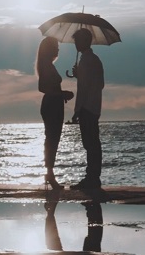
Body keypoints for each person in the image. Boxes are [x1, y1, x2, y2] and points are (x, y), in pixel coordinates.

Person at [69, 28, 104, 190]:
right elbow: (99, 83)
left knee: (90, 143)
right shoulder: (94, 59)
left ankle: (92, 178)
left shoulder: (87, 61)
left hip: (87, 107)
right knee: (92, 143)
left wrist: (78, 110)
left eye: (77, 41)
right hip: (94, 106)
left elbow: (84, 88)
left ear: (84, 41)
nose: (75, 44)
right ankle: (93, 177)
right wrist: (79, 75)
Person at [36, 36, 73, 189]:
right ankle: (50, 174)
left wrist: (60, 95)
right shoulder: (46, 65)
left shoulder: (49, 65)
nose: (58, 49)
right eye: (56, 46)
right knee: (52, 139)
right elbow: (42, 87)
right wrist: (61, 94)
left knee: (53, 139)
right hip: (51, 105)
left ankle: (50, 174)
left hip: (55, 105)